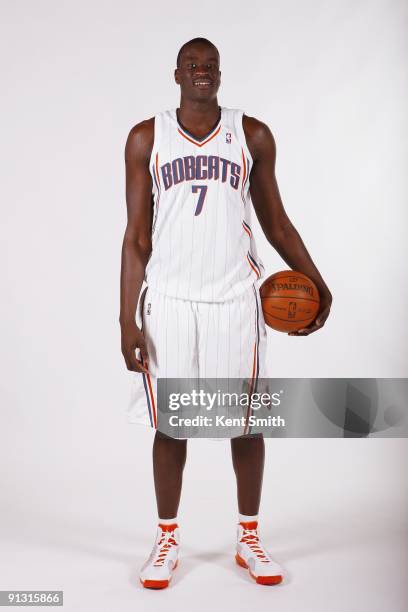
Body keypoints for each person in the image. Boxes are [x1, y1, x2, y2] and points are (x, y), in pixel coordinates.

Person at [120, 37, 332, 589]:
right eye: (192, 65)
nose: (201, 72)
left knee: (245, 424)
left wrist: (317, 280)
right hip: (168, 299)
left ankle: (249, 537)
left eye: (210, 65)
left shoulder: (251, 134)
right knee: (173, 425)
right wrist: (126, 318)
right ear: (175, 74)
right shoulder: (147, 137)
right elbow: (136, 238)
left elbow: (276, 223)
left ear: (220, 73)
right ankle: (167, 538)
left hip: (236, 299)